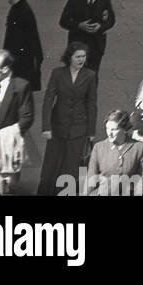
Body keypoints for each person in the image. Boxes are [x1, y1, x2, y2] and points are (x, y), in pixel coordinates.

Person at [38, 42, 97, 195]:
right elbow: (48, 100)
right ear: (69, 57)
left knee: (72, 167)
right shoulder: (57, 73)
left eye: (83, 57)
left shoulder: (90, 75)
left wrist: (91, 132)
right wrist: (46, 127)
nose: (81, 60)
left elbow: (92, 104)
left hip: (79, 128)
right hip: (57, 127)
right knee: (51, 165)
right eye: (78, 56)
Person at [0, 49, 34, 196]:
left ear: (5, 69)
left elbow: (27, 117)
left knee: (6, 182)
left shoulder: (21, 86)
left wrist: (8, 133)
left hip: (8, 144)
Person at [57, 0, 116, 72]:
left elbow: (111, 20)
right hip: (78, 42)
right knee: (76, 73)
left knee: (93, 74)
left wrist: (100, 27)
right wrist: (79, 25)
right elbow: (63, 21)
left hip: (96, 44)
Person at [85, 110, 143, 195]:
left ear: (124, 130)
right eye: (107, 128)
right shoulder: (99, 148)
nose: (109, 133)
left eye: (114, 130)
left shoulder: (138, 147)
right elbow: (91, 179)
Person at [2, 0, 43, 90]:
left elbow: (27, 35)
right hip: (21, 53)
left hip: (21, 54)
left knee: (20, 82)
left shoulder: (22, 11)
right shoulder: (19, 8)